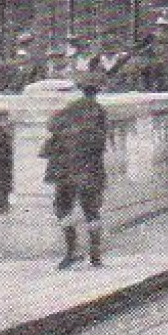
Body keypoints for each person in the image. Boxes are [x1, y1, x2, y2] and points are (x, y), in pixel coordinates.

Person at [41, 74, 110, 268]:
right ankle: (95, 255)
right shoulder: (100, 112)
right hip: (90, 169)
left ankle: (72, 251)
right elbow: (102, 141)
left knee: (63, 208)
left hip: (65, 168)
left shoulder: (67, 110)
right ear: (96, 93)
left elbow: (51, 126)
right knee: (91, 211)